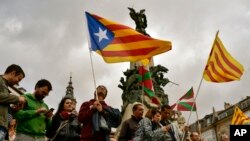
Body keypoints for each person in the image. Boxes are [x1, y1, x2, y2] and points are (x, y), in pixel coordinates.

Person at [0, 64, 26, 141]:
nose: (18, 83)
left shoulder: (5, 87)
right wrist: (17, 98)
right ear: (13, 73)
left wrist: (15, 110)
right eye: (19, 79)